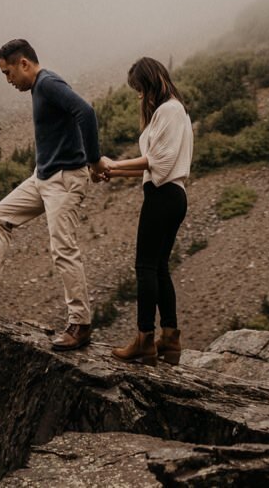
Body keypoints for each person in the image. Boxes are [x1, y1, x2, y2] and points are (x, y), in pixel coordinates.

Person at [0, 39, 101, 351]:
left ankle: (80, 324)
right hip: (43, 176)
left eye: (8, 72)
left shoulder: (49, 83)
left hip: (65, 179)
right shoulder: (39, 89)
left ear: (24, 64)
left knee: (63, 249)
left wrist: (93, 160)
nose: (8, 79)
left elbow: (86, 111)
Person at [95, 57, 192, 365]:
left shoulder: (169, 110)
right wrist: (116, 172)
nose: (139, 96)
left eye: (140, 89)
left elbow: (157, 163)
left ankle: (144, 339)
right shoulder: (175, 111)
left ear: (150, 83)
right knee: (159, 266)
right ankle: (170, 339)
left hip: (163, 196)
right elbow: (154, 167)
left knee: (145, 267)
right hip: (171, 195)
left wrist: (113, 163)